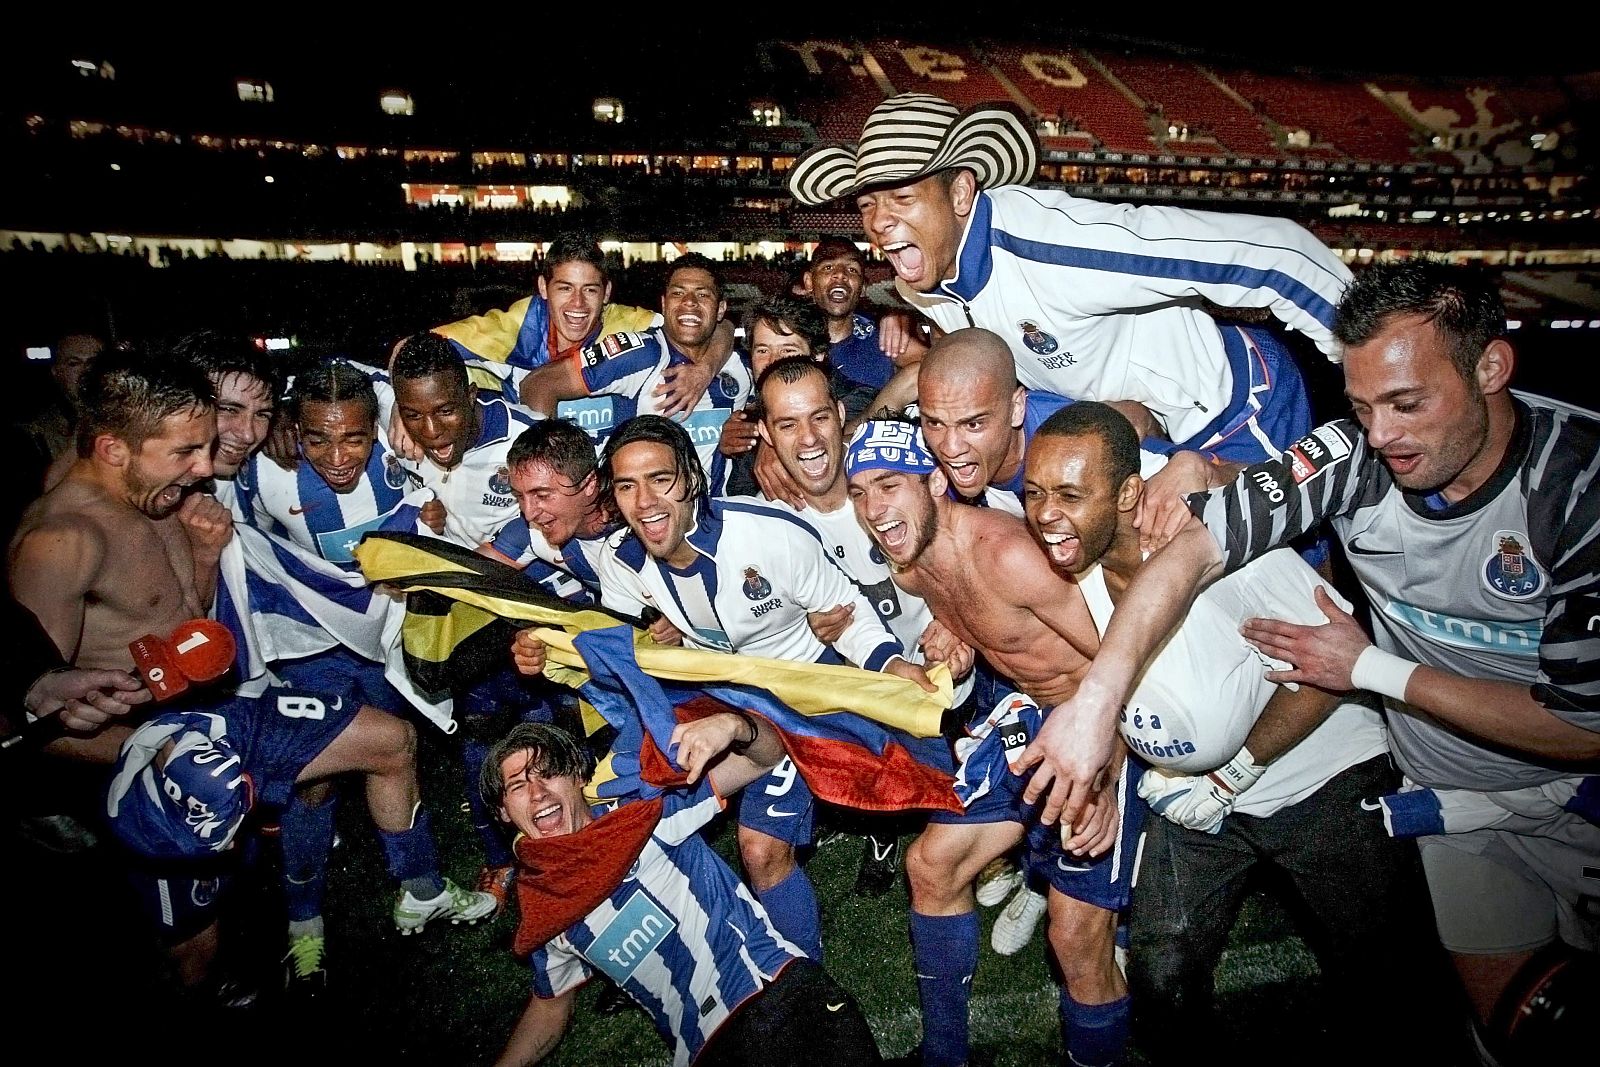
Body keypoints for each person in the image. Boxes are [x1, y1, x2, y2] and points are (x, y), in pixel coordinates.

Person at [1036, 260, 1600, 1061]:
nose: (1383, 436)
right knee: (1514, 1033)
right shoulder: (1352, 454)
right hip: (1456, 806)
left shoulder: (1580, 488)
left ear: (1491, 366)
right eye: (1363, 405)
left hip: (1579, 799)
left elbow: (1583, 727)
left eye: (1408, 403)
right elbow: (1195, 550)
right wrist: (1098, 704)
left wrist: (1371, 669)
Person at [1019, 401, 1465, 1062]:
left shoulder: (1221, 549)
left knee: (1388, 985)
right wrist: (1113, 771)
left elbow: (1331, 667)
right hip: (1193, 798)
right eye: (1033, 494)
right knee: (1162, 983)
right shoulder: (1073, 559)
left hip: (1321, 780)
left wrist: (1237, 770)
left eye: (1069, 495)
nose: (1046, 514)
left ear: (1128, 493)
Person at [520, 414, 934, 962]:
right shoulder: (620, 562)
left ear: (691, 478)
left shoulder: (770, 535)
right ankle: (785, 976)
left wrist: (890, 667)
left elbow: (848, 613)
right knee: (677, 817)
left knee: (865, 797)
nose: (644, 502)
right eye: (626, 486)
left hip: (806, 696)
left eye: (659, 480)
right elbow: (617, 646)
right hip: (730, 702)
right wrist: (548, 651)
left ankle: (806, 971)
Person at [789, 92, 1347, 469]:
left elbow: (1275, 252)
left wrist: (1377, 371)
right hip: (1146, 441)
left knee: (1288, 610)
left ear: (960, 194)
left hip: (1238, 413)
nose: (879, 223)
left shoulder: (1057, 246)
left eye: (903, 197)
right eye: (867, 205)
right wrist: (863, 428)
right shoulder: (921, 283)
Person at [843, 419, 1134, 1067]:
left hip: (1104, 718)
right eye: (860, 493)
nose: (874, 509)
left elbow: (1126, 651)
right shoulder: (912, 566)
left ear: (936, 480)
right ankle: (945, 1057)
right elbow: (981, 619)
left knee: (1076, 941)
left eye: (889, 485)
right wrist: (959, 636)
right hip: (1023, 714)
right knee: (931, 866)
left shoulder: (1009, 553)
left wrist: (1108, 764)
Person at [482, 721, 881, 1067]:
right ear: (503, 812)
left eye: (548, 773)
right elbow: (550, 1007)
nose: (537, 794)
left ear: (578, 776)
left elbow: (766, 756)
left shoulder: (643, 815)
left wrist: (736, 727)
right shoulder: (546, 909)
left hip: (774, 995)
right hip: (703, 1050)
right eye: (518, 786)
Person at [754, 357, 976, 897]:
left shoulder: (885, 460)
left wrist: (963, 620)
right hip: (868, 687)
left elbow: (974, 525)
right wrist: (800, 622)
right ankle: (879, 820)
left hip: (952, 674)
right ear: (766, 434)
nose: (807, 439)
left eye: (818, 419)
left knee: (974, 814)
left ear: (840, 415)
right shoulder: (769, 522)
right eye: (786, 425)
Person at [426, 230, 726, 419]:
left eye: (590, 290)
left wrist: (704, 370)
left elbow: (714, 327)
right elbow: (416, 349)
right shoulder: (513, 327)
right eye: (565, 288)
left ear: (606, 293)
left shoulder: (625, 322)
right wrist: (407, 403)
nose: (578, 305)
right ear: (544, 287)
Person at [513, 253, 750, 481]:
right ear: (664, 304)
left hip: (717, 514)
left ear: (720, 309)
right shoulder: (641, 353)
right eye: (678, 293)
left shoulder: (741, 367)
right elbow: (539, 384)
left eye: (703, 295)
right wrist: (559, 477)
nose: (689, 302)